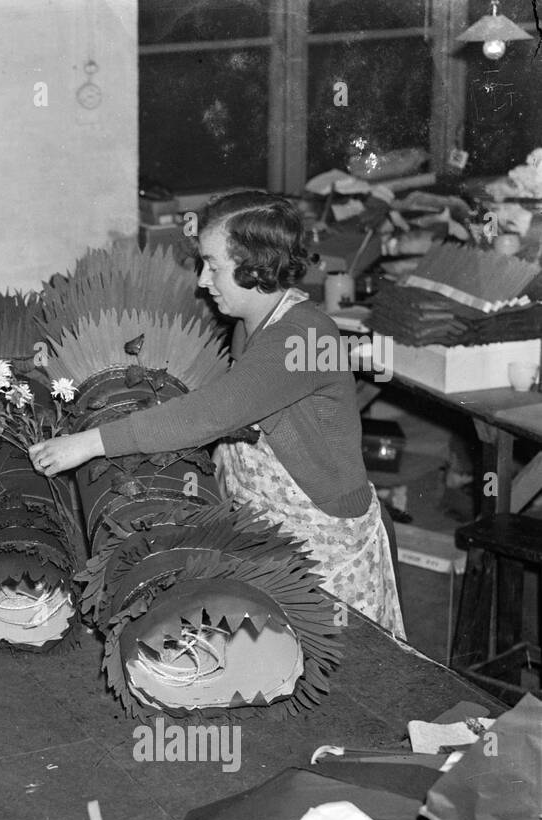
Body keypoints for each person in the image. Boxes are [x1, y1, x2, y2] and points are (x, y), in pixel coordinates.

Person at [28, 190, 405, 637]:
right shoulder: (251, 326)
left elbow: (210, 415)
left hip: (324, 537)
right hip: (274, 529)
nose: (203, 281)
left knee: (345, 672)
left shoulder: (302, 338)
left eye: (214, 266)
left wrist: (89, 443)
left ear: (256, 266)